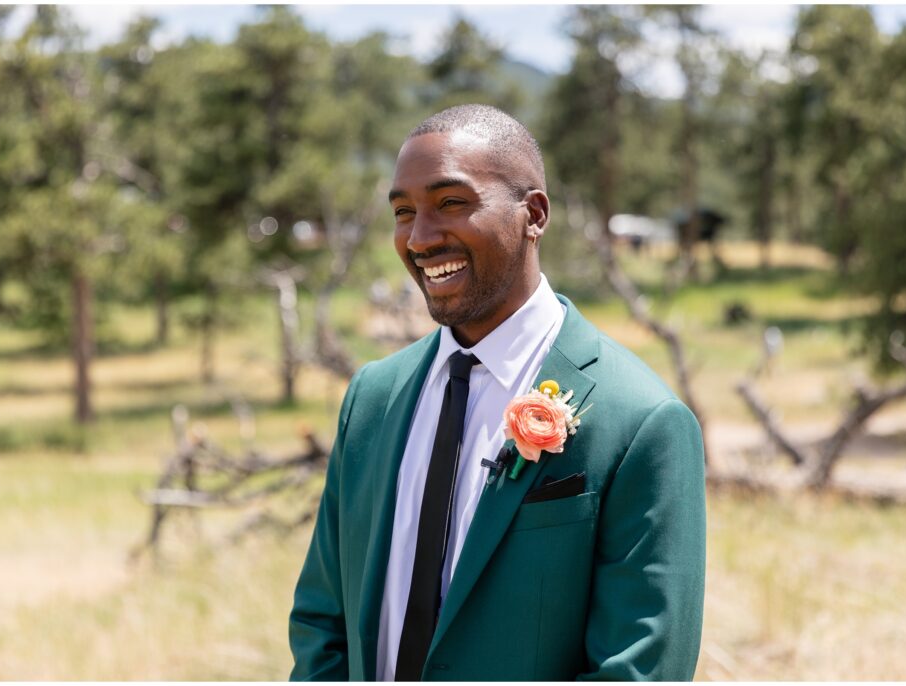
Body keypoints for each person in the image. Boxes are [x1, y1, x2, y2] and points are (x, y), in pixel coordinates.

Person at [288, 104, 706, 681]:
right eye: (403, 212)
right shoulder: (372, 399)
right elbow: (321, 621)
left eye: (451, 203)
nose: (420, 237)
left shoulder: (641, 421)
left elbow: (638, 671)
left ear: (533, 214)